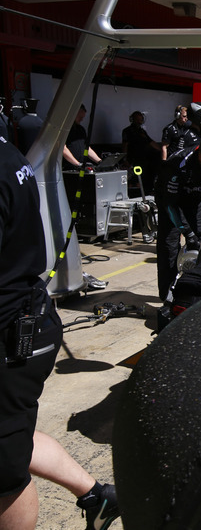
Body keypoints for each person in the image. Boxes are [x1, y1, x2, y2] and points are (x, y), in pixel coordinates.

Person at [0, 136, 119, 530]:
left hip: (12, 334)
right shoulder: (8, 151)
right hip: (28, 320)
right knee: (15, 438)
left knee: (4, 473)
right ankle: (97, 496)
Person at [155, 133, 201, 301]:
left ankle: (199, 291)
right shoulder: (178, 163)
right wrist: (187, 233)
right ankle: (167, 297)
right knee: (168, 250)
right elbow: (170, 204)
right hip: (171, 203)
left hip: (195, 203)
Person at [122, 110, 160, 195]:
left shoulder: (142, 131)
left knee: (146, 176)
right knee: (135, 178)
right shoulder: (127, 131)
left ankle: (147, 191)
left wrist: (162, 150)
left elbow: (150, 142)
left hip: (144, 159)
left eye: (141, 119)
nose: (139, 121)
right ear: (133, 119)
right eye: (137, 119)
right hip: (133, 159)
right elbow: (125, 145)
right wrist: (125, 159)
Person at [62, 104, 101, 168]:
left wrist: (99, 161)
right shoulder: (64, 130)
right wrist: (77, 164)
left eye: (82, 117)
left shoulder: (81, 129)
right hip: (68, 168)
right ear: (73, 114)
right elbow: (63, 149)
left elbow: (86, 148)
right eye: (80, 117)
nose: (82, 120)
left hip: (80, 168)